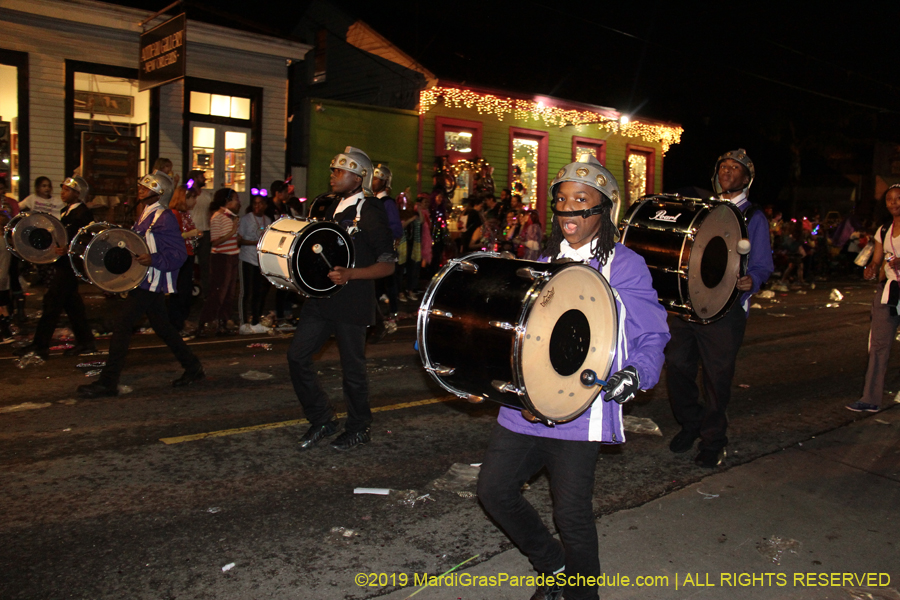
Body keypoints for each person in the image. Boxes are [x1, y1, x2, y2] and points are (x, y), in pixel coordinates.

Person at [477, 154, 670, 600]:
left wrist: (636, 374)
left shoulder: (624, 265)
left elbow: (653, 332)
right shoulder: (544, 261)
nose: (569, 211)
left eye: (581, 201)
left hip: (581, 410)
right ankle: (553, 566)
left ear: (604, 210)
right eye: (562, 200)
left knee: (572, 516)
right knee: (494, 490)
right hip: (526, 407)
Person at [665, 149, 774, 468]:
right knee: (677, 366)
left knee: (716, 379)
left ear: (746, 178)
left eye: (735, 168)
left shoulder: (753, 217)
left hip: (726, 312)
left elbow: (764, 264)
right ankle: (691, 423)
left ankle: (713, 440)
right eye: (723, 166)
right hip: (688, 307)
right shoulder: (703, 210)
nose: (727, 171)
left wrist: (750, 280)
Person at [289, 146, 395, 452]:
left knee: (352, 371)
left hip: (352, 301)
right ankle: (322, 418)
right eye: (333, 169)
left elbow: (388, 263)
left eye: (340, 170)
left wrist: (352, 273)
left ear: (359, 177)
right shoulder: (330, 206)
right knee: (297, 356)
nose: (333, 175)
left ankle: (359, 427)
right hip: (322, 299)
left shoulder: (370, 210)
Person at [76, 173, 204, 398]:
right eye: (141, 185)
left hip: (151, 280)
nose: (141, 189)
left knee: (122, 324)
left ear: (160, 191)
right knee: (163, 327)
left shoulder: (164, 217)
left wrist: (153, 259)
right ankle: (193, 367)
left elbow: (178, 254)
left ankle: (108, 382)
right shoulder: (147, 213)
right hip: (144, 279)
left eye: (147, 186)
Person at [13, 176, 96, 359]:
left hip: (69, 265)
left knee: (51, 303)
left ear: (77, 193)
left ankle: (40, 345)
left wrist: (70, 248)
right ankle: (86, 342)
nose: (62, 193)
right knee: (73, 306)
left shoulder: (82, 213)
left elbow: (86, 239)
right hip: (62, 262)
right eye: (63, 189)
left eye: (67, 190)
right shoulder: (67, 211)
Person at [848, 184, 900, 413]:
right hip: (889, 291)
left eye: (898, 198)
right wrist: (870, 268)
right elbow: (877, 260)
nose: (894, 203)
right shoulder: (884, 229)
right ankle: (870, 398)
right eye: (890, 199)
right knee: (878, 345)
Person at [197, 188, 241, 335]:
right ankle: (207, 322)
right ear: (227, 201)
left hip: (232, 255)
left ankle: (223, 322)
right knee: (218, 292)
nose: (238, 202)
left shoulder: (230, 216)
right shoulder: (218, 216)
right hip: (221, 257)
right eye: (235, 199)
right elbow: (214, 242)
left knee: (229, 292)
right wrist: (232, 232)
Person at [371, 164, 403, 336]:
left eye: (377, 179)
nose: (373, 182)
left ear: (385, 183)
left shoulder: (387, 203)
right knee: (375, 285)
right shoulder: (371, 201)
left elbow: (396, 229)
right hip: (374, 250)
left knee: (388, 283)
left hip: (384, 250)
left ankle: (392, 313)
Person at [167, 185, 202, 333]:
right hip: (179, 256)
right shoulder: (174, 214)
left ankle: (181, 321)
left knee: (186, 291)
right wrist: (190, 234)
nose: (195, 201)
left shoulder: (185, 214)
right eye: (193, 198)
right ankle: (176, 324)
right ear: (184, 198)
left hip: (188, 254)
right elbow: (171, 236)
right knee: (180, 291)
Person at [237, 192, 272, 327]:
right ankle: (243, 321)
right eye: (255, 203)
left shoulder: (267, 220)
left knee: (259, 291)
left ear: (265, 205)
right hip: (247, 258)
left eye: (260, 203)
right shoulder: (246, 219)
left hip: (260, 260)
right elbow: (239, 240)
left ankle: (256, 319)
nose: (257, 206)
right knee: (246, 291)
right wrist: (256, 243)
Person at [188, 170, 212, 298]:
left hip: (205, 231)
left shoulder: (207, 195)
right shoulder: (187, 194)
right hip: (191, 232)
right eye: (201, 177)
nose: (204, 179)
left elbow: (210, 212)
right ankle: (188, 290)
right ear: (195, 178)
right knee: (188, 262)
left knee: (205, 264)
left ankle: (207, 294)